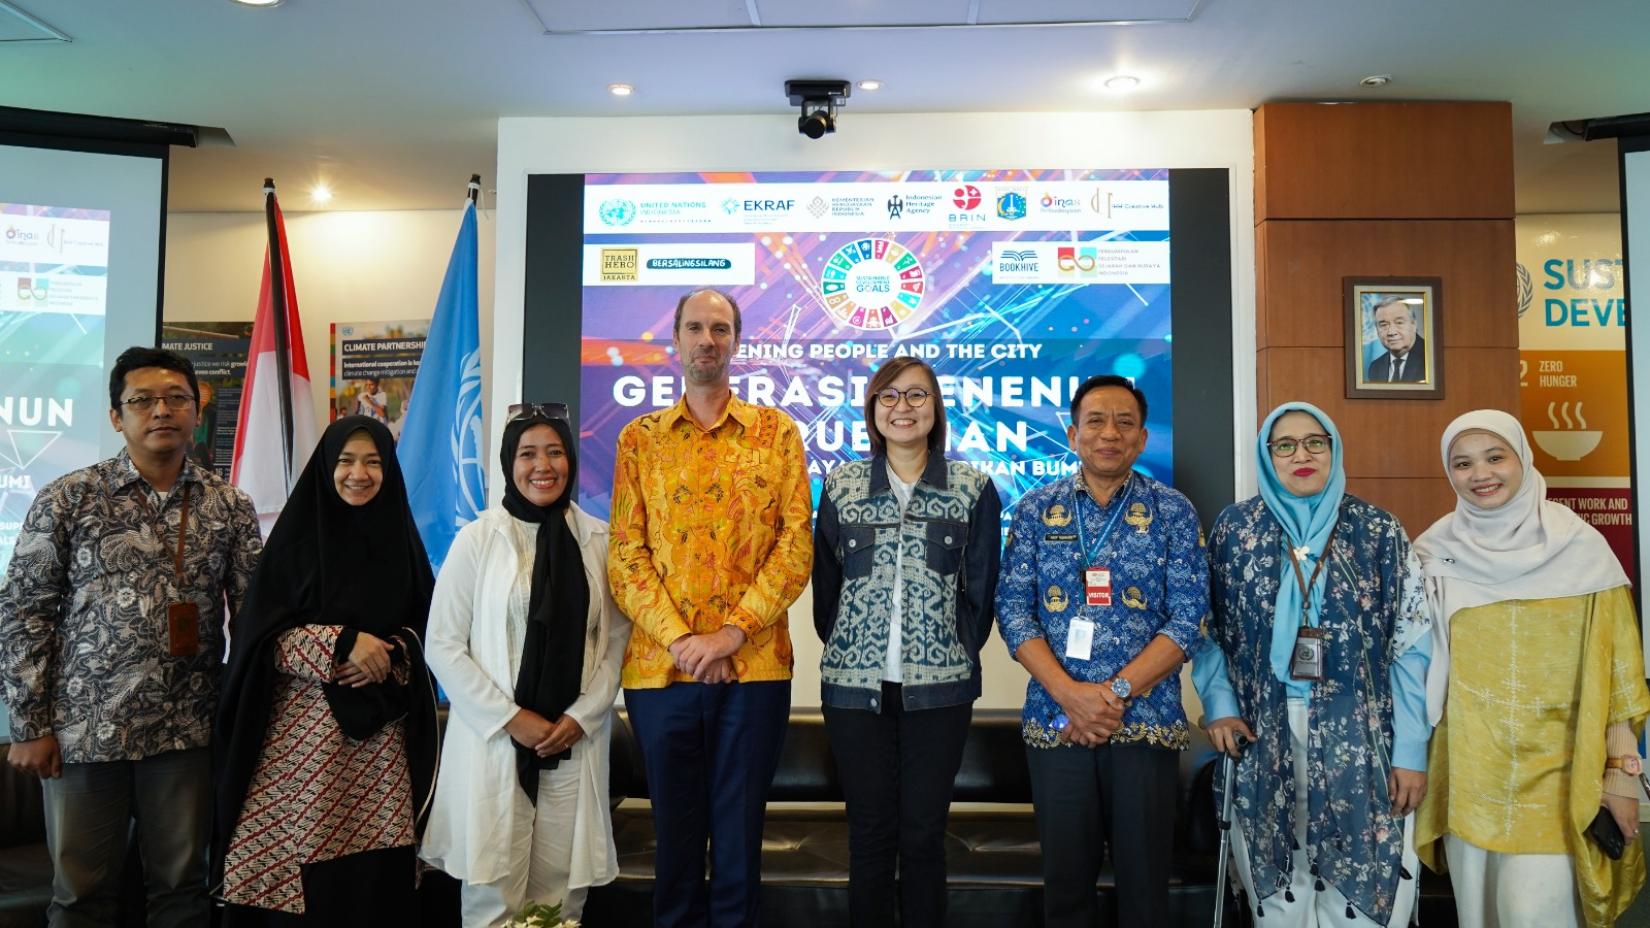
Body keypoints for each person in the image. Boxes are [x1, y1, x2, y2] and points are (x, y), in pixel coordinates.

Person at [0, 346, 263, 927]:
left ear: (197, 411)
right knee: (81, 896)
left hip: (187, 732)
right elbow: (23, 612)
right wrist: (30, 726)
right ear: (117, 417)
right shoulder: (69, 498)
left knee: (182, 892)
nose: (161, 410)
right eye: (142, 400)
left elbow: (251, 619)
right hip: (84, 734)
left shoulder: (230, 506)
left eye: (176, 399)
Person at [608, 288, 813, 928]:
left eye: (720, 329)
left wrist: (728, 636)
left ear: (736, 342)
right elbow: (624, 551)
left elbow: (795, 543)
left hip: (753, 670)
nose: (707, 340)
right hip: (660, 672)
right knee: (673, 835)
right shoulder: (638, 439)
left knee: (738, 837)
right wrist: (683, 642)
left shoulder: (778, 434)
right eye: (695, 328)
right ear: (675, 340)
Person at [1192, 402, 1430, 926]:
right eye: (1285, 445)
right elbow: (1206, 630)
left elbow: (1412, 646)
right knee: (1280, 895)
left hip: (1366, 742)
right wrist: (1220, 707)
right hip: (1261, 733)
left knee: (1362, 897)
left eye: (1315, 442)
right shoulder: (1236, 531)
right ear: (1267, 455)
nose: (1301, 454)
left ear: (1334, 449)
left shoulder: (1378, 532)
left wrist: (1411, 749)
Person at [1413, 410, 1650, 928]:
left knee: (1534, 913)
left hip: (1563, 776)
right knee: (1480, 915)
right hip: (1469, 774)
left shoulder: (1582, 549)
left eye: (1495, 457)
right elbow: (1414, 668)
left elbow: (1620, 675)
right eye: (1463, 463)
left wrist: (1622, 773)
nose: (1481, 474)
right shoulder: (1433, 552)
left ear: (1522, 457)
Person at [994, 373, 1208, 927]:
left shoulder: (1173, 511)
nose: (1109, 433)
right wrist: (1071, 696)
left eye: (1125, 423)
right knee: (1066, 889)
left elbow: (1188, 618)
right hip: (1056, 722)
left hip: (1146, 722)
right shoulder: (1036, 508)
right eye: (1095, 420)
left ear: (1140, 440)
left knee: (1144, 890)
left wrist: (1110, 695)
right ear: (1072, 434)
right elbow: (1014, 612)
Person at [214, 415, 439, 924]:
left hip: (380, 747)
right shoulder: (294, 543)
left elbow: (429, 629)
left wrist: (392, 651)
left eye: (373, 462)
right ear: (325, 467)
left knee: (371, 878)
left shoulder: (401, 543)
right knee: (298, 875)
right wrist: (339, 644)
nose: (358, 473)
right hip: (299, 748)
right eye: (345, 460)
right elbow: (256, 640)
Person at [421, 404, 629, 926]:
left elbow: (616, 645)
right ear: (508, 462)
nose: (544, 465)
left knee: (561, 902)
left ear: (572, 460)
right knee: (493, 900)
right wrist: (512, 717)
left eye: (555, 452)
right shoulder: (479, 538)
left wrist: (581, 716)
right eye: (528, 453)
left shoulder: (599, 541)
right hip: (496, 742)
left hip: (571, 743)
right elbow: (443, 644)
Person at [812, 357, 1002, 928]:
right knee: (869, 836)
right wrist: (850, 644)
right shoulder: (842, 486)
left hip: (940, 693)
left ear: (935, 408)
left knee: (922, 836)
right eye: (889, 397)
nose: (903, 407)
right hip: (852, 691)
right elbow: (827, 590)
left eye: (917, 396)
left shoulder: (972, 487)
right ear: (872, 410)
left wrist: (953, 649)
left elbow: (983, 590)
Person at [1365, 297, 1427, 383]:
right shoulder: (1375, 368)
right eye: (1383, 325)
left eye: (1399, 322)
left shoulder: (1431, 358)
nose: (1391, 332)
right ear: (1377, 330)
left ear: (1414, 324)